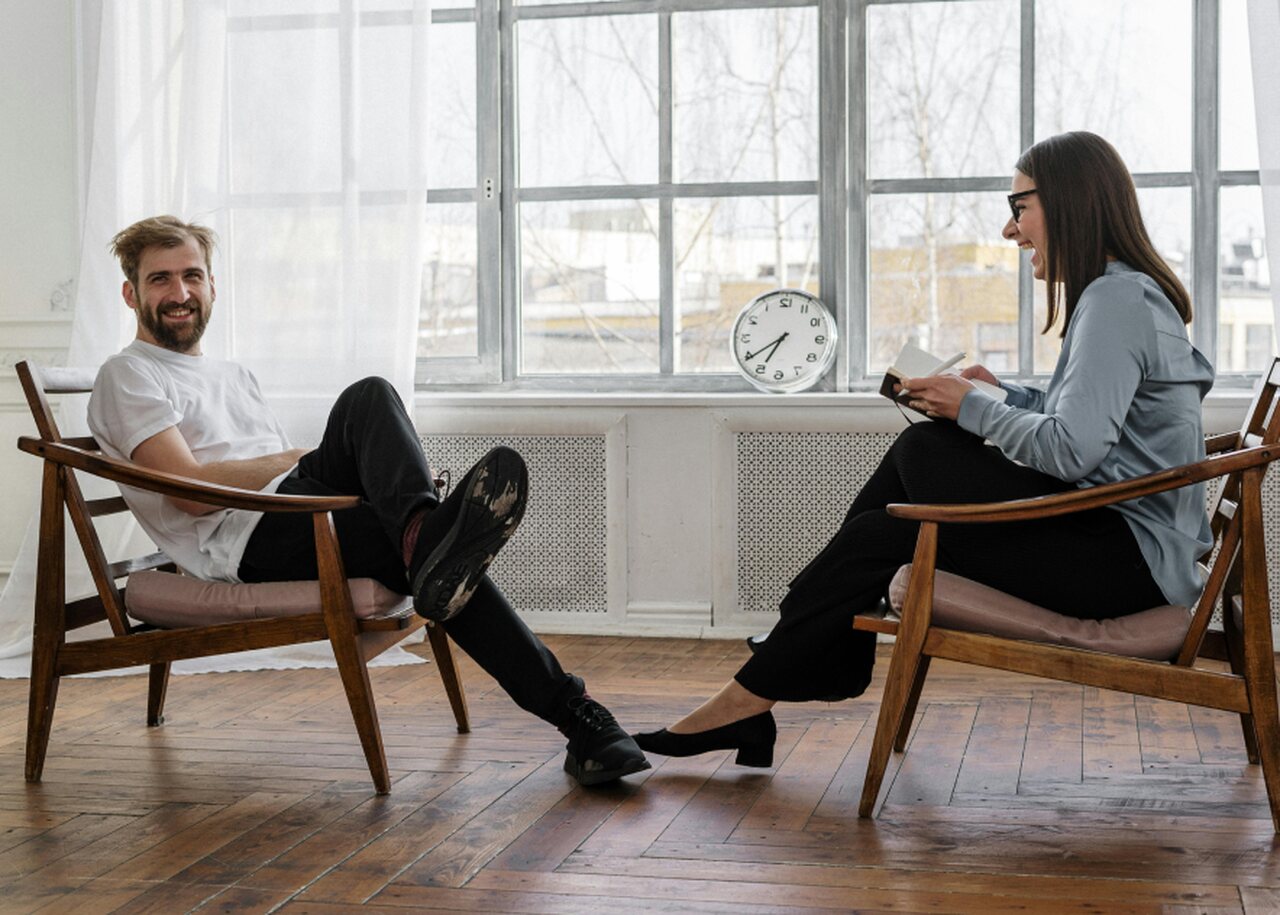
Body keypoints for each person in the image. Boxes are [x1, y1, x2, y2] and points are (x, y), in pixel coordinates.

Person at [636, 131, 1216, 766]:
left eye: (1019, 205)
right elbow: (1099, 419)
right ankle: (753, 697)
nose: (1009, 228)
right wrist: (1008, 396)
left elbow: (1074, 452)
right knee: (885, 528)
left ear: (1069, 201)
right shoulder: (1123, 294)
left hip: (1123, 565)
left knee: (924, 453)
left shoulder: (1115, 299)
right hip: (1117, 542)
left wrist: (970, 408)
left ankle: (781, 657)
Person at [87, 215, 650, 787]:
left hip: (297, 511)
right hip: (247, 541)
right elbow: (190, 496)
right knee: (381, 439)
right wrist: (295, 459)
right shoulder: (127, 373)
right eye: (160, 280)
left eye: (192, 276)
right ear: (131, 293)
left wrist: (309, 469)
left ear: (213, 285)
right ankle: (573, 709)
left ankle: (427, 542)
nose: (180, 293)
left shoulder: (233, 374)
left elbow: (274, 472)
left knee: (375, 404)